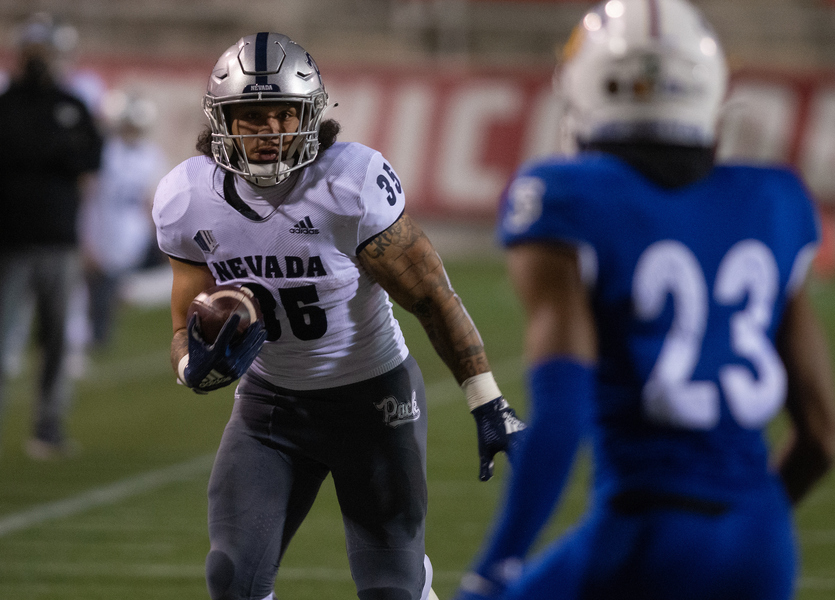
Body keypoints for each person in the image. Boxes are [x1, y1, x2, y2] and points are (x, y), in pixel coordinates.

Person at [455, 1, 835, 599]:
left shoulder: (564, 196)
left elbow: (562, 416)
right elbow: (821, 437)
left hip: (646, 526)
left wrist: (496, 566)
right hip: (763, 541)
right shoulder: (775, 198)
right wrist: (744, 525)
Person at [152, 32, 526, 600]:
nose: (271, 131)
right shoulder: (187, 197)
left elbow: (432, 296)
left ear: (311, 115)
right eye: (251, 116)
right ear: (220, 120)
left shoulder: (349, 185)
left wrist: (487, 400)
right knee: (232, 577)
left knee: (389, 589)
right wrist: (190, 367)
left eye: (285, 114)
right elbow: (185, 325)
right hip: (270, 407)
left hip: (373, 402)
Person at [0, 13, 104, 459]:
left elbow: (91, 163)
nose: (39, 61)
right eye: (34, 53)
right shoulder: (5, 106)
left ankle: (48, 428)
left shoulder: (73, 105)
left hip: (59, 240)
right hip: (10, 241)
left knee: (57, 341)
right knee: (4, 338)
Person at [78, 91, 168, 349]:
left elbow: (150, 200)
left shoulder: (151, 155)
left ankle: (98, 336)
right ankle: (88, 337)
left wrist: (157, 234)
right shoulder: (105, 151)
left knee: (111, 289)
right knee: (89, 289)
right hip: (102, 224)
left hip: (130, 233)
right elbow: (88, 192)